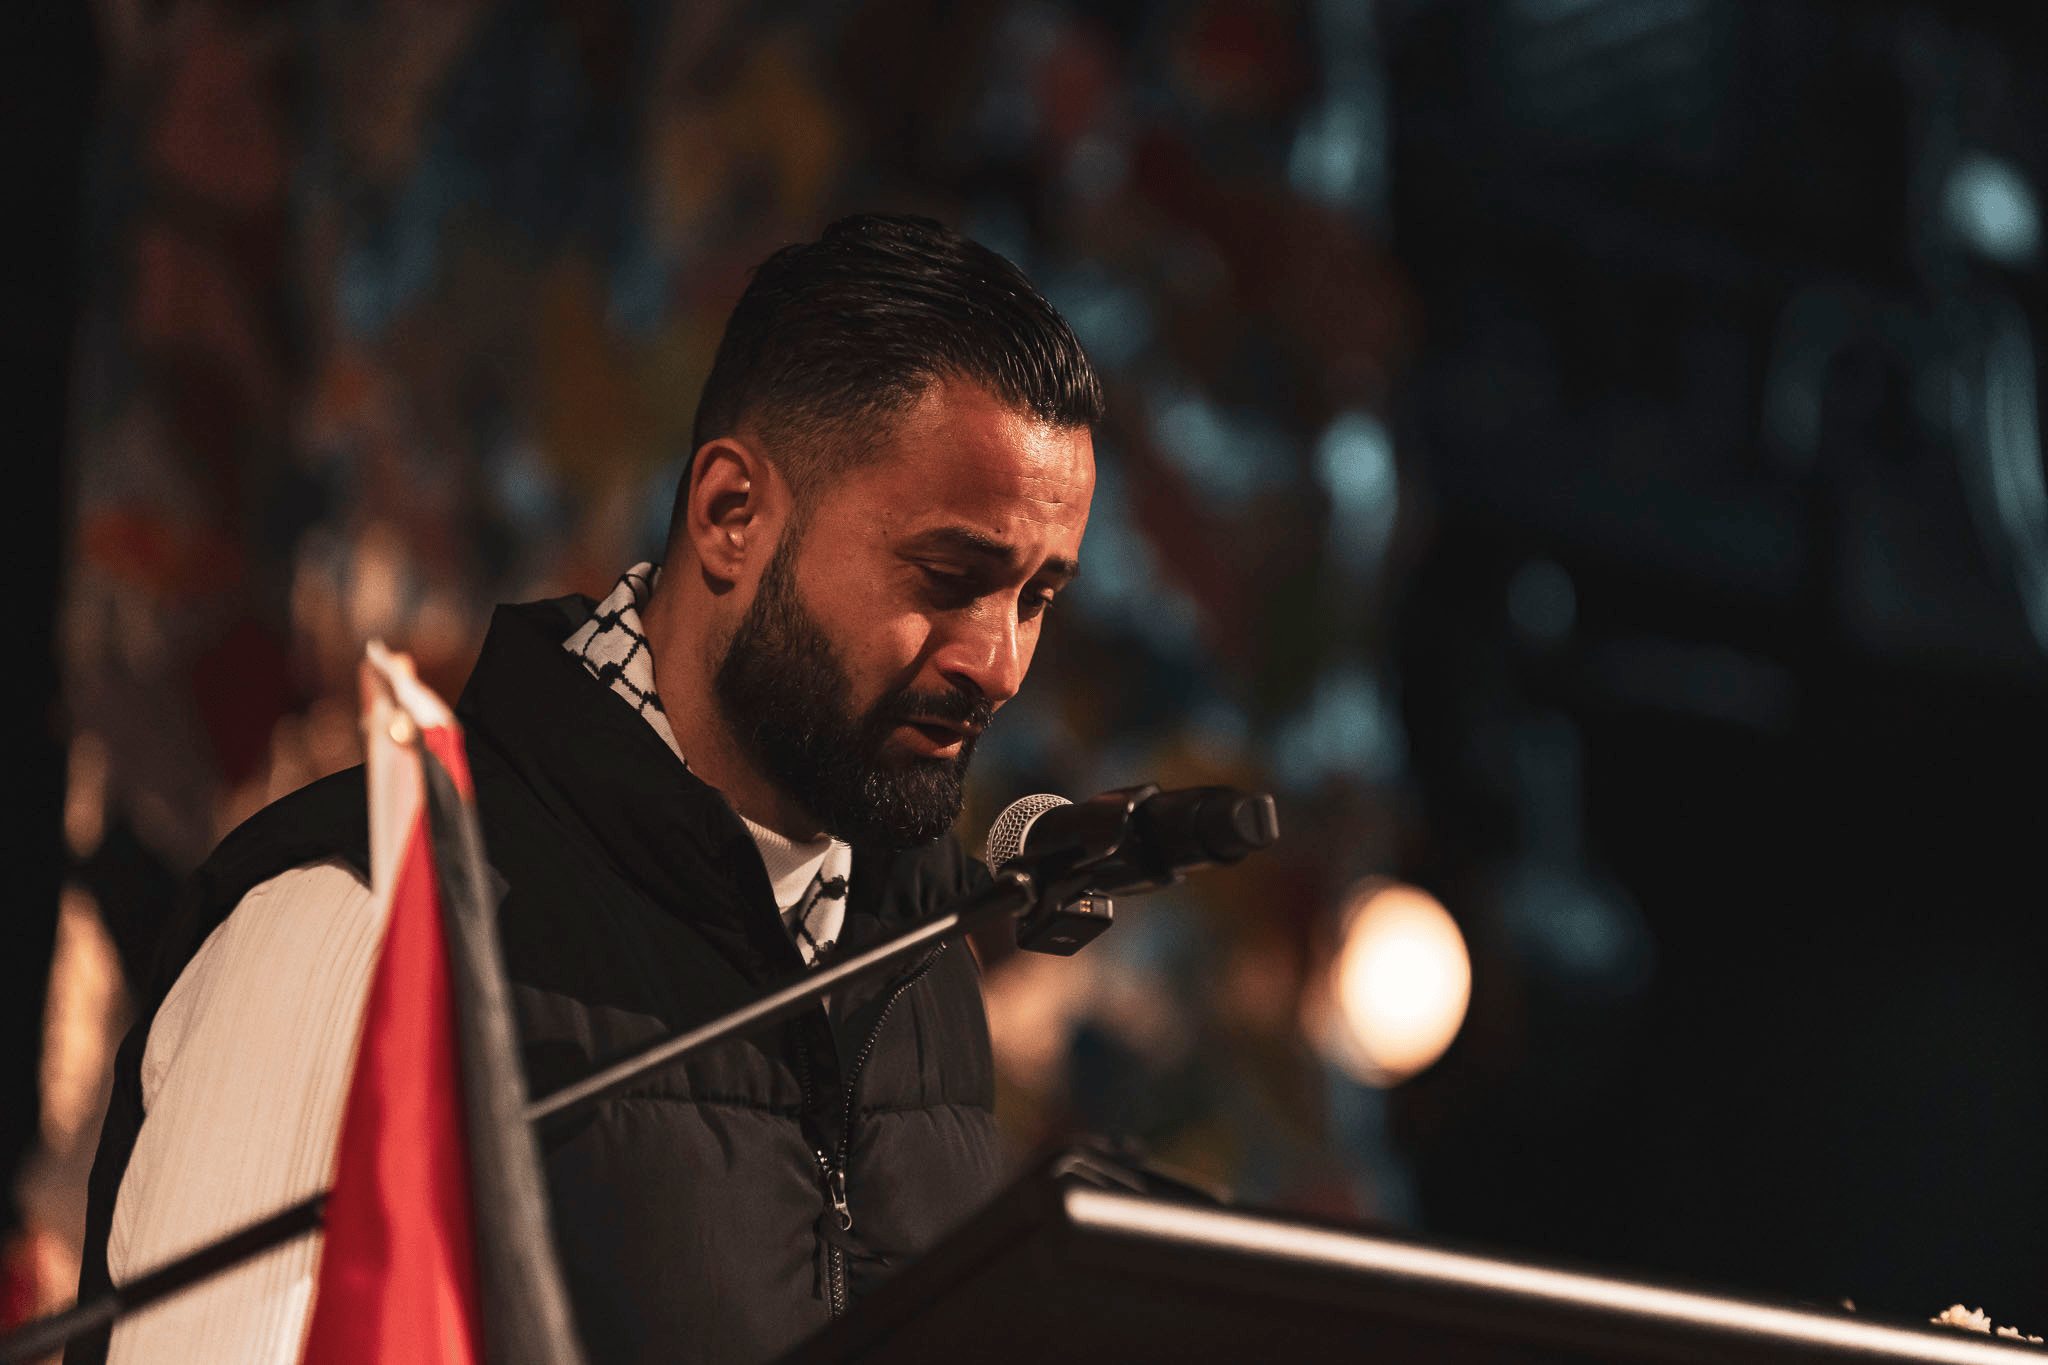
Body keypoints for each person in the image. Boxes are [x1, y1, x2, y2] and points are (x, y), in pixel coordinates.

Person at [72, 214, 1101, 1365]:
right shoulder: (359, 912)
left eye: (1036, 598)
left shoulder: (922, 966)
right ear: (731, 517)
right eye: (950, 576)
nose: (997, 660)